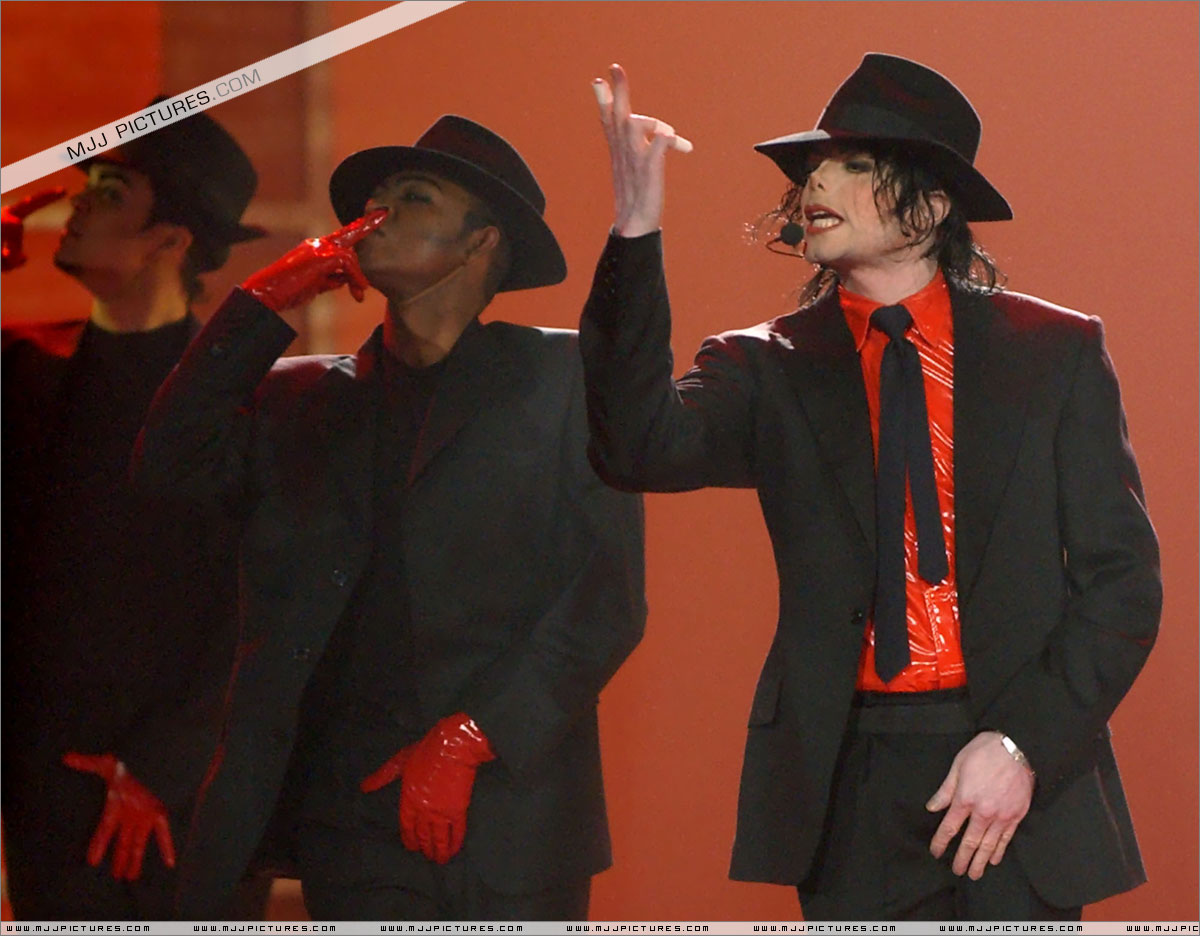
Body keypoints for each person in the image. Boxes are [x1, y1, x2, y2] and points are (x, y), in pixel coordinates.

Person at [581, 55, 1160, 920]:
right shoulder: (765, 364)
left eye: (853, 164)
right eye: (812, 167)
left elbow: (1123, 584)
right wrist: (635, 230)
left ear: (930, 207)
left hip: (1011, 770)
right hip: (845, 780)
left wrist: (1022, 746)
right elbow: (636, 450)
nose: (816, 182)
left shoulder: (1053, 352)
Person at [132, 115, 647, 921]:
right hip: (350, 814)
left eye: (414, 197)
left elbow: (604, 602)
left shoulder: (564, 380)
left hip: (509, 816)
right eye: (372, 200)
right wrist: (265, 301)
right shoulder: (299, 397)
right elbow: (166, 467)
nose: (375, 216)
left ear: (481, 244)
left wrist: (470, 737)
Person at [2, 103, 265, 919]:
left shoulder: (245, 398)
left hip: (189, 791)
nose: (77, 206)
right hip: (48, 782)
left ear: (169, 240)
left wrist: (162, 765)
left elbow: (258, 602)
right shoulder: (26, 371)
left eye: (110, 192)